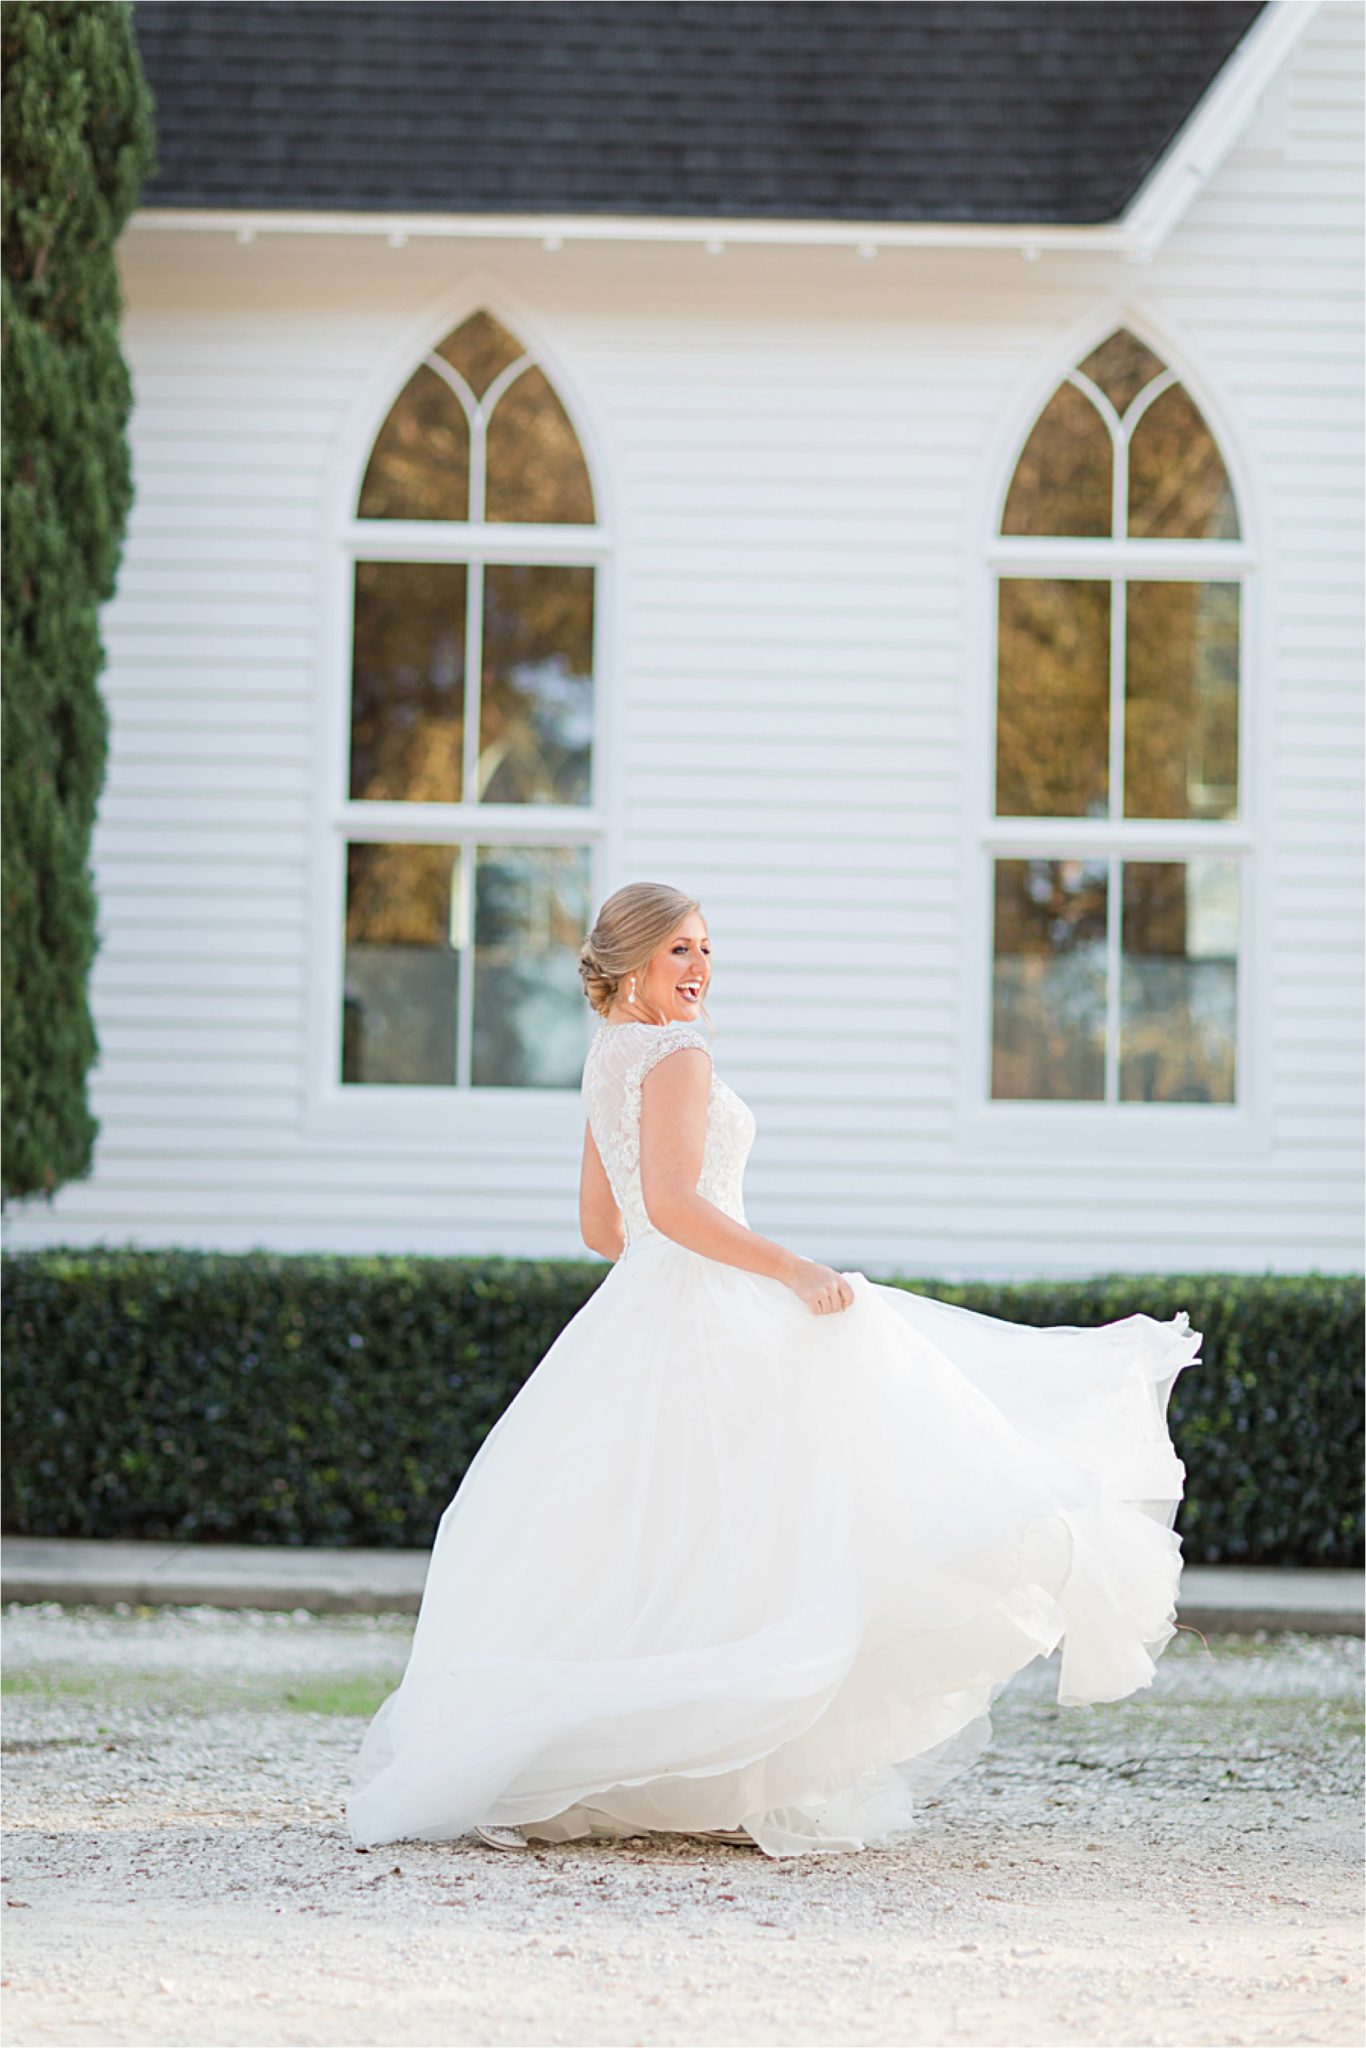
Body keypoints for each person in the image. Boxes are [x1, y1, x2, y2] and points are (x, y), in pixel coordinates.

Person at [346, 881, 1201, 1860]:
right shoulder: (674, 1052)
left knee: (659, 1537)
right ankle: (715, 1766)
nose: (700, 970)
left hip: (640, 1309)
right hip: (703, 1303)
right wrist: (789, 1267)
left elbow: (603, 1226)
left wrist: (661, 1272)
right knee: (766, 1519)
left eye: (707, 949)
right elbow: (672, 1205)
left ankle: (628, 1760)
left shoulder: (606, 1058)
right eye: (678, 951)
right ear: (627, 961)